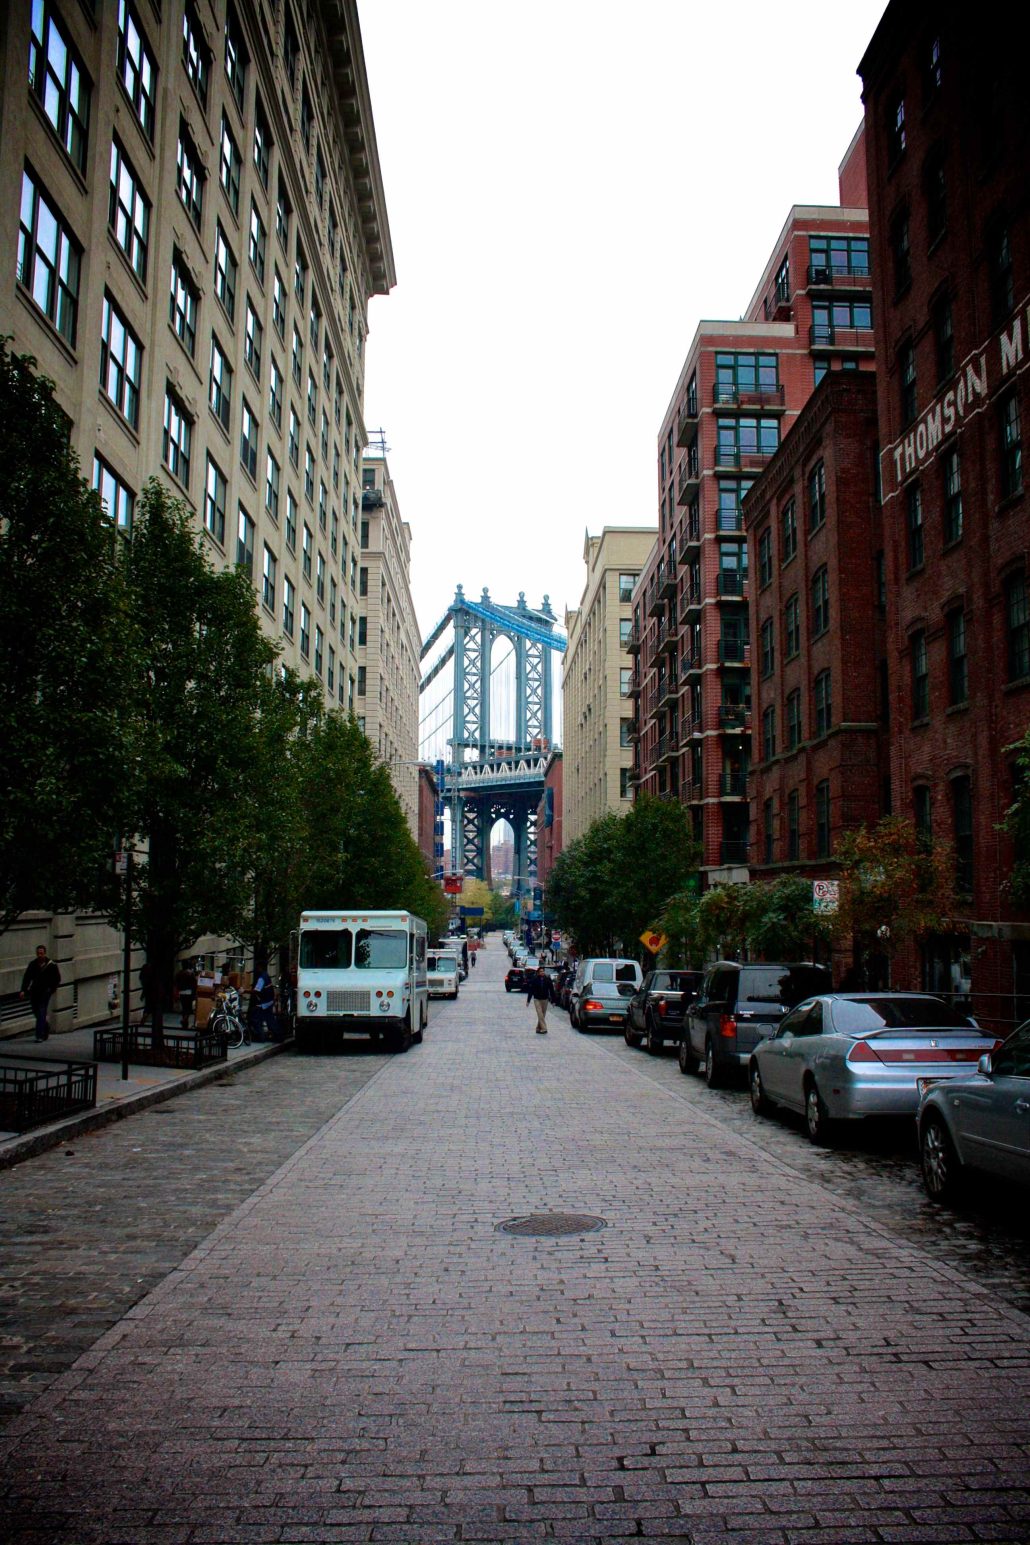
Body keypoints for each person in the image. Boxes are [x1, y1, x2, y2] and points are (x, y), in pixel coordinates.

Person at [20, 945, 61, 1042]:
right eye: (38, 953)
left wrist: (51, 989)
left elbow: (57, 979)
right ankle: (45, 1026)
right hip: (34, 991)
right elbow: (27, 978)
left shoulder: (51, 965)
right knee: (36, 1011)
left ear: (45, 953)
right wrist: (23, 990)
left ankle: (40, 1035)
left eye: (41, 953)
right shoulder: (33, 964)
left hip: (45, 991)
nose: (39, 955)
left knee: (41, 1010)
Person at [249, 957, 278, 1041]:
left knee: (254, 1018)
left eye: (257, 967)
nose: (256, 969)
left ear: (260, 967)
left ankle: (261, 1036)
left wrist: (245, 991)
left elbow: (256, 990)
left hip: (264, 1002)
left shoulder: (262, 978)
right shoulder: (266, 975)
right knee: (269, 1019)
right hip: (269, 1001)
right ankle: (277, 1035)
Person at [525, 963, 553, 1035]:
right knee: (540, 1014)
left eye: (543, 971)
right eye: (540, 971)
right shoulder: (534, 980)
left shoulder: (547, 979)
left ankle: (538, 1028)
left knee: (542, 1015)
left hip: (545, 999)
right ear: (538, 972)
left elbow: (551, 990)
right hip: (537, 999)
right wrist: (528, 1000)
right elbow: (531, 990)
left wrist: (553, 1000)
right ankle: (544, 1028)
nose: (542, 972)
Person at [175, 962, 197, 1031]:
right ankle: (184, 1020)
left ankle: (185, 1024)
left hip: (181, 992)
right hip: (189, 992)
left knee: (184, 1007)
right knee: (189, 1008)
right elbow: (194, 983)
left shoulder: (179, 973)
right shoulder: (191, 973)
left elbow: (176, 982)